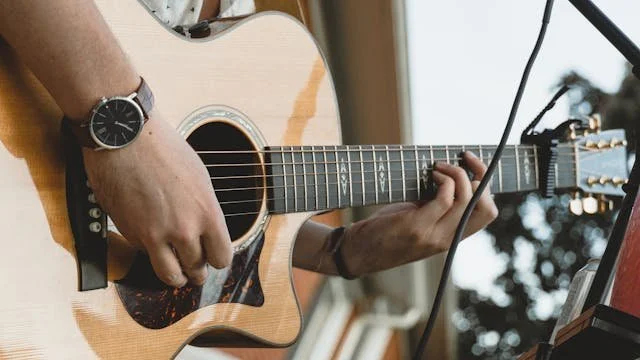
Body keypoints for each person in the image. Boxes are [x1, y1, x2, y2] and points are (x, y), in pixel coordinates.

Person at [0, 0, 498, 288]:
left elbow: (195, 188)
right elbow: (155, 161)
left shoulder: (241, 18)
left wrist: (340, 251)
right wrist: (125, 134)